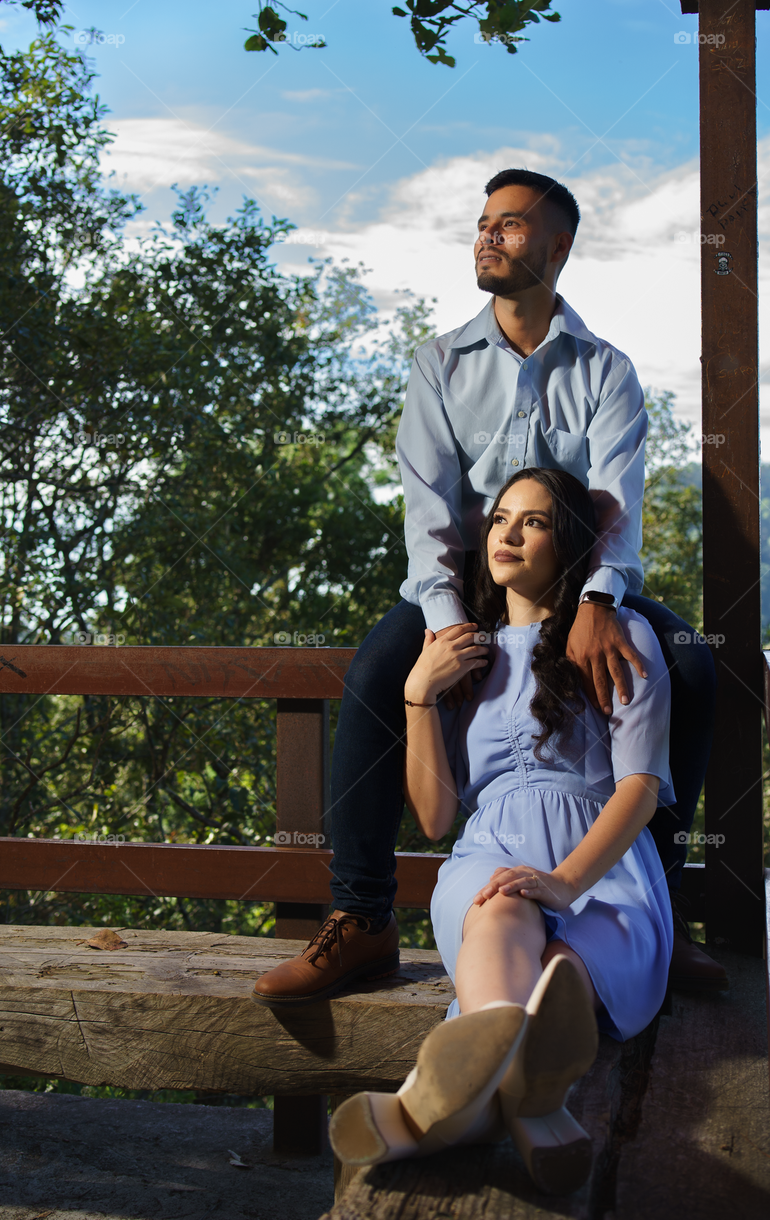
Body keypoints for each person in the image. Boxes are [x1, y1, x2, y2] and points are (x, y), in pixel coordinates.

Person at [251, 168, 723, 1012]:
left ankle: (657, 905)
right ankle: (361, 914)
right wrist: (442, 627)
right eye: (483, 223)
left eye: (509, 225)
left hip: (577, 579)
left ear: (557, 246)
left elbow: (618, 504)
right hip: (464, 586)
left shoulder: (606, 370)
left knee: (689, 664)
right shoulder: (438, 364)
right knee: (375, 680)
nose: (488, 236)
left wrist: (599, 602)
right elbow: (428, 512)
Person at [328, 468, 674, 1195]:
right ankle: (528, 1090)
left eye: (535, 522)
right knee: (498, 904)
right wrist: (419, 694)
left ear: (570, 542)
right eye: (499, 519)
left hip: (602, 868)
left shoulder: (620, 632)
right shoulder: (466, 654)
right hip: (487, 850)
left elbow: (640, 788)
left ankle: (444, 1107)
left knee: (565, 975)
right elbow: (434, 817)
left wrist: (566, 881)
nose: (508, 534)